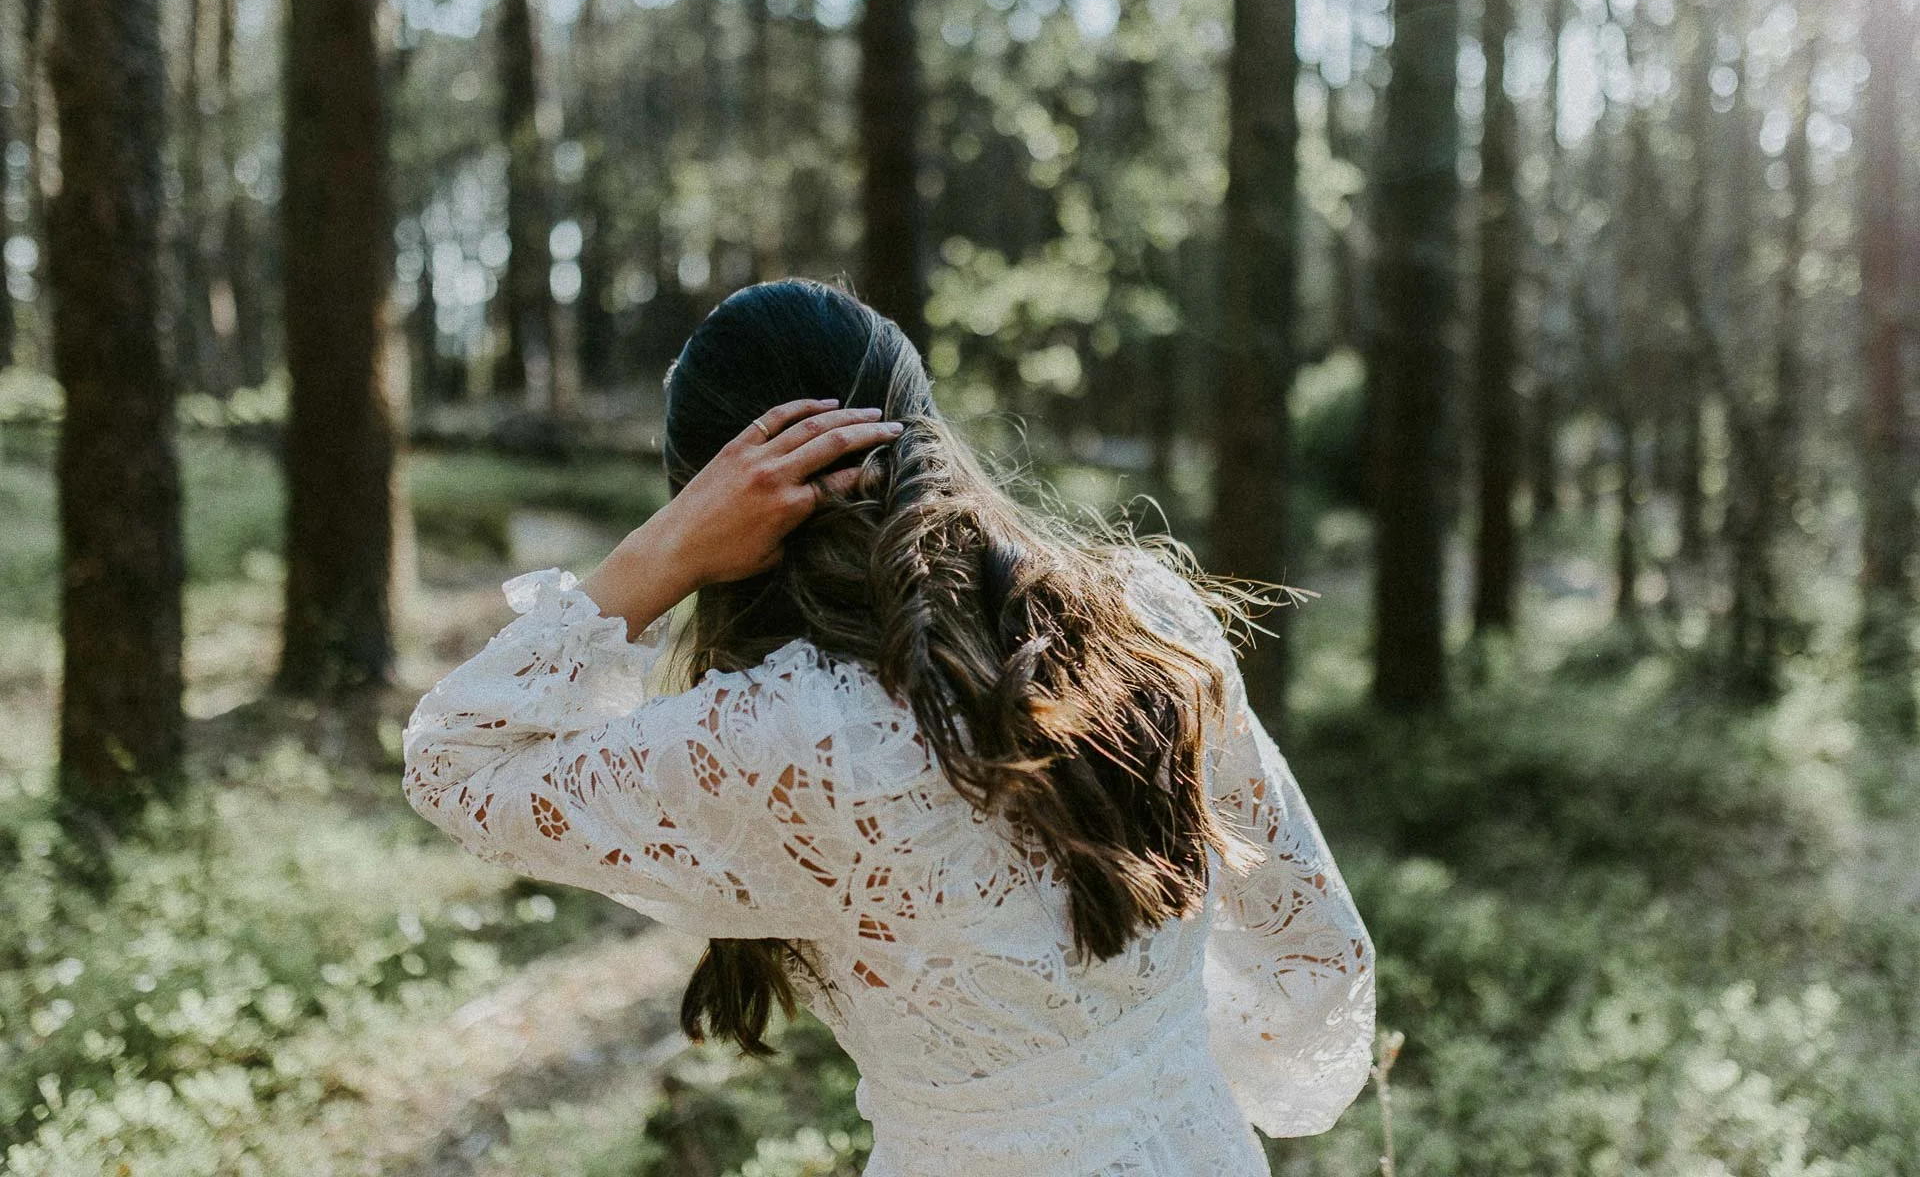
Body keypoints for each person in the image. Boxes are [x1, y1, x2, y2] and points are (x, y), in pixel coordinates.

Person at [401, 278, 1375, 1176]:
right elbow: (1314, 945)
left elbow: (454, 758)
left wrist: (666, 552)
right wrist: (1152, 1077)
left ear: (719, 499)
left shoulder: (793, 737)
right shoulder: (1145, 615)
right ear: (925, 430)